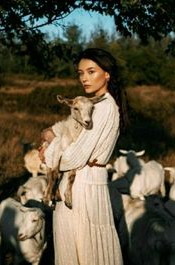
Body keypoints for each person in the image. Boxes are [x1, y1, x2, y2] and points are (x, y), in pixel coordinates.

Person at [39, 48, 128, 265]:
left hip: (84, 187)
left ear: (107, 74)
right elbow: (71, 142)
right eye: (80, 73)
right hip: (82, 185)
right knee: (83, 251)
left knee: (90, 252)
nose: (84, 78)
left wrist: (50, 142)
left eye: (91, 71)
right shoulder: (93, 104)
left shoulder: (104, 108)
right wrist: (54, 141)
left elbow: (72, 158)